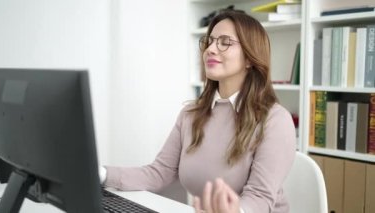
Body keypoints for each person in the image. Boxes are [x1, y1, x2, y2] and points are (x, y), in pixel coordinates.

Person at [102, 10, 296, 213]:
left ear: (249, 58)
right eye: (209, 41)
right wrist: (100, 174)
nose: (211, 49)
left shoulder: (275, 120)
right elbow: (160, 172)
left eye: (224, 42)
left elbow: (260, 198)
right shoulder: (191, 114)